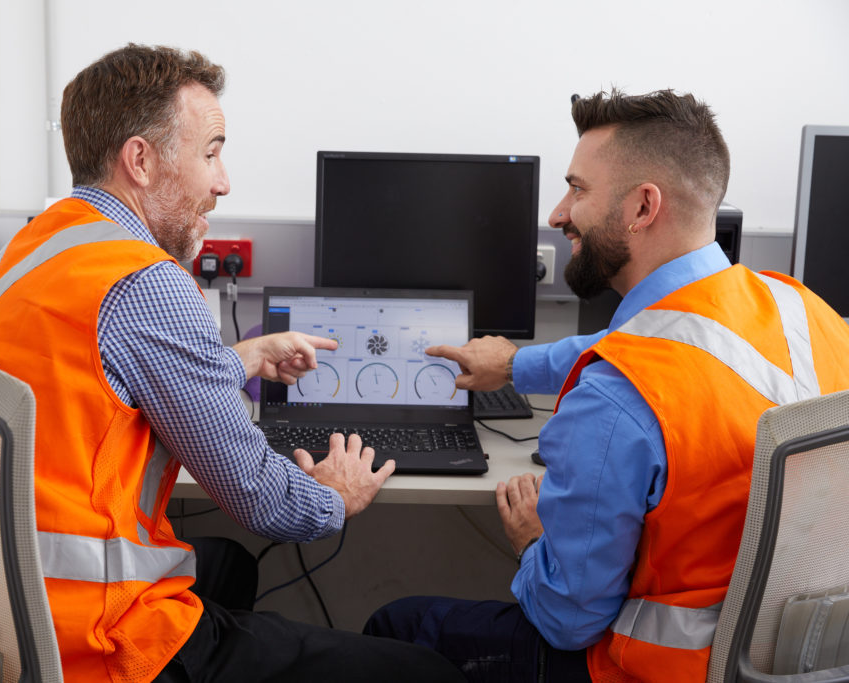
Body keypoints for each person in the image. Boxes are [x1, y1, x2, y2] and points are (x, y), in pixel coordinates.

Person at [0, 44, 465, 683]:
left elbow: (96, 377)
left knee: (230, 565)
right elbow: (266, 501)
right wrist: (334, 496)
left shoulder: (21, 257)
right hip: (89, 643)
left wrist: (235, 358)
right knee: (425, 673)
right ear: (141, 160)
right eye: (211, 153)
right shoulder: (145, 282)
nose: (223, 181)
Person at [364, 89, 849, 682]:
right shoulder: (802, 309)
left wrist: (532, 542)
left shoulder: (619, 393)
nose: (558, 213)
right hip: (795, 661)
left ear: (643, 207)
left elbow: (568, 621)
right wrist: (515, 365)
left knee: (399, 626)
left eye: (578, 189)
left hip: (649, 670)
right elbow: (676, 347)